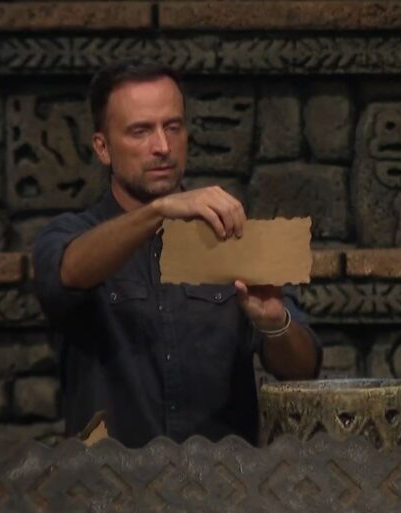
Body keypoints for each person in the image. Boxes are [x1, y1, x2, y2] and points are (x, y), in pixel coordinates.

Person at [32, 59, 322, 448]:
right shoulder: (70, 235)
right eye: (140, 131)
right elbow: (68, 273)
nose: (163, 147)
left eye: (173, 127)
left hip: (222, 481)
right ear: (102, 148)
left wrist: (275, 325)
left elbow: (303, 369)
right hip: (109, 481)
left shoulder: (233, 235)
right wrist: (159, 211)